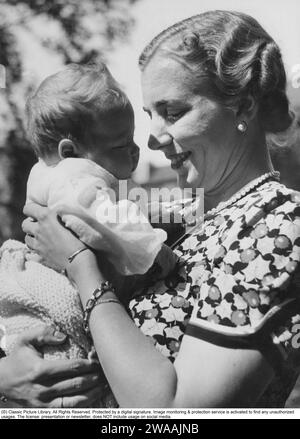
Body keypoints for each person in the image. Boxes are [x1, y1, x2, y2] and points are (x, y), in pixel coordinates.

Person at [2, 9, 300, 408]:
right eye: (149, 115)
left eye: (173, 112)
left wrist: (80, 265)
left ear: (243, 107)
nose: (153, 138)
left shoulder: (278, 223)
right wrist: (8, 370)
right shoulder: (175, 216)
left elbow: (176, 412)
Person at [0, 63, 178, 407]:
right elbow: (110, 221)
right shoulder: (76, 178)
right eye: (120, 145)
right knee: (68, 362)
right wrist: (158, 253)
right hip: (52, 284)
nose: (136, 151)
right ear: (70, 151)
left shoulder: (47, 171)